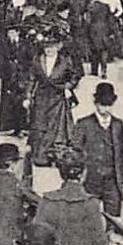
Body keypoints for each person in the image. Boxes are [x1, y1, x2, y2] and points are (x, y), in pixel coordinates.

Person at [34, 146, 106, 245]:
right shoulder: (91, 204)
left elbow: (37, 237)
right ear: (83, 174)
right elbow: (99, 244)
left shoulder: (48, 200)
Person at [25, 24, 79, 169]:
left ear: (57, 47)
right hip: (42, 97)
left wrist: (68, 87)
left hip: (58, 97)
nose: (49, 50)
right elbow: (31, 78)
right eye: (47, 47)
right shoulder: (37, 59)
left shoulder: (65, 60)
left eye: (52, 47)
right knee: (39, 126)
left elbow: (74, 76)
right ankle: (40, 157)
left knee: (58, 129)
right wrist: (28, 95)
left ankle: (57, 157)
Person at [73, 81, 123, 218]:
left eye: (109, 105)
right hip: (90, 180)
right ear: (96, 103)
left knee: (114, 219)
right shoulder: (83, 124)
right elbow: (75, 152)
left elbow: (122, 152)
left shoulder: (118, 124)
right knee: (88, 218)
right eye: (102, 105)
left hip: (112, 182)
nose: (105, 109)